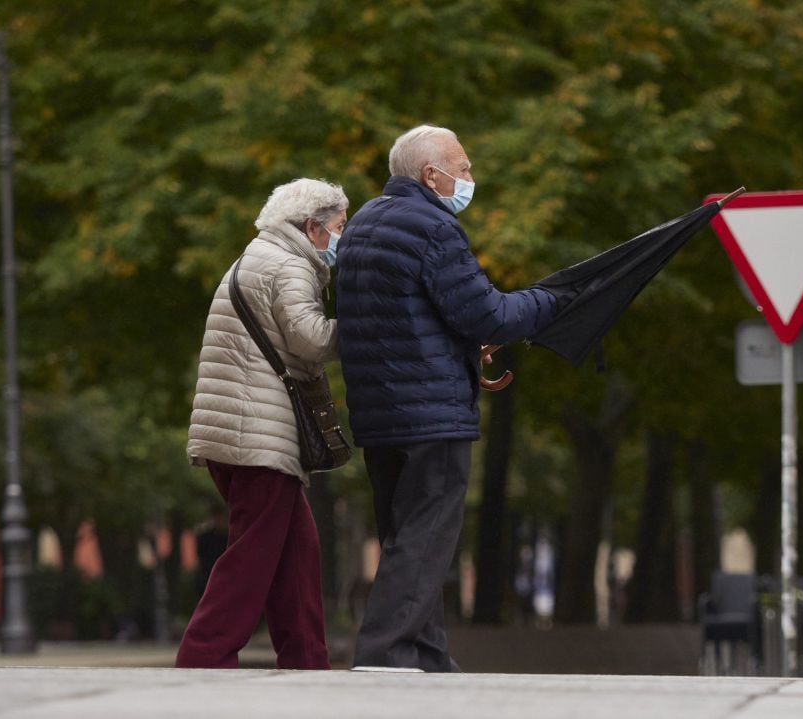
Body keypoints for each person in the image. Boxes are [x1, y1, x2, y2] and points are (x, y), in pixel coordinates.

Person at [336, 125, 557, 671]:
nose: (470, 179)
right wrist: (549, 301)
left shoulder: (362, 223)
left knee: (405, 536)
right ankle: (384, 654)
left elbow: (401, 316)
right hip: (430, 410)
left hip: (378, 410)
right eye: (463, 168)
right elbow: (489, 315)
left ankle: (430, 657)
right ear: (431, 175)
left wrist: (457, 345)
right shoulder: (435, 227)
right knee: (428, 536)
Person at [176, 178, 348, 670]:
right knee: (252, 556)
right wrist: (365, 324)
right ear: (311, 227)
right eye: (338, 227)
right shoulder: (289, 265)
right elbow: (311, 340)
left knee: (295, 552)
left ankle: (307, 660)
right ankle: (204, 657)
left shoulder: (257, 256)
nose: (341, 237)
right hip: (257, 435)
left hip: (237, 431)